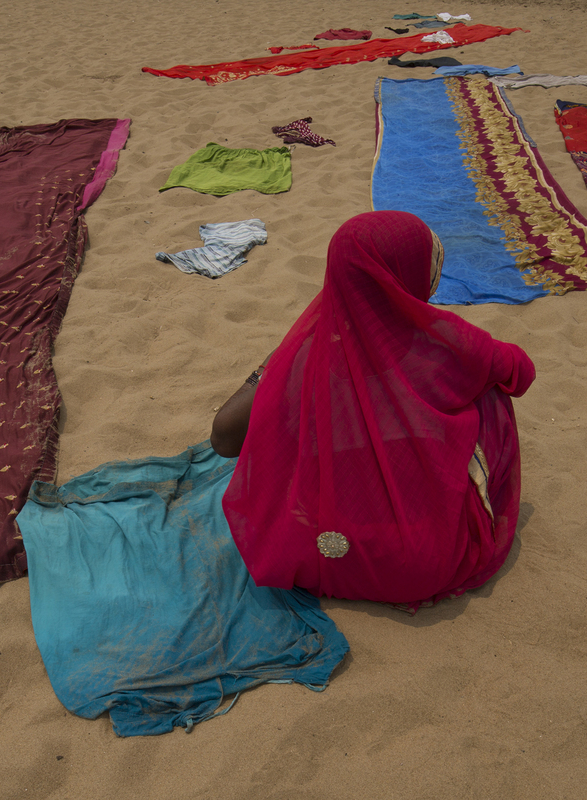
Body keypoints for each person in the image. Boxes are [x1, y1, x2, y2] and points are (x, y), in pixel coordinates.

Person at [213, 211, 535, 608]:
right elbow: (521, 374)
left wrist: (277, 362)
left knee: (289, 409)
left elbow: (223, 438)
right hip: (415, 562)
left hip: (311, 549)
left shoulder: (306, 354)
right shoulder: (445, 347)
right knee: (490, 393)